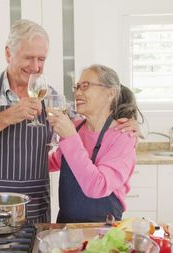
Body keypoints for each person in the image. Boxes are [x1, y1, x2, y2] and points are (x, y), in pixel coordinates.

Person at [0, 19, 138, 223]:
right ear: (8, 53)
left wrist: (129, 121)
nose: (36, 66)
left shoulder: (52, 98)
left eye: (41, 59)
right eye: (28, 58)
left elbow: (91, 124)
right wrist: (7, 117)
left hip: (33, 213)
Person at [47, 64, 143, 223]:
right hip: (66, 226)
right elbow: (54, 162)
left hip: (102, 230)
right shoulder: (76, 127)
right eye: (77, 87)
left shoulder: (123, 136)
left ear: (110, 92)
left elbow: (98, 186)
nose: (78, 92)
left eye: (85, 86)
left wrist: (70, 137)